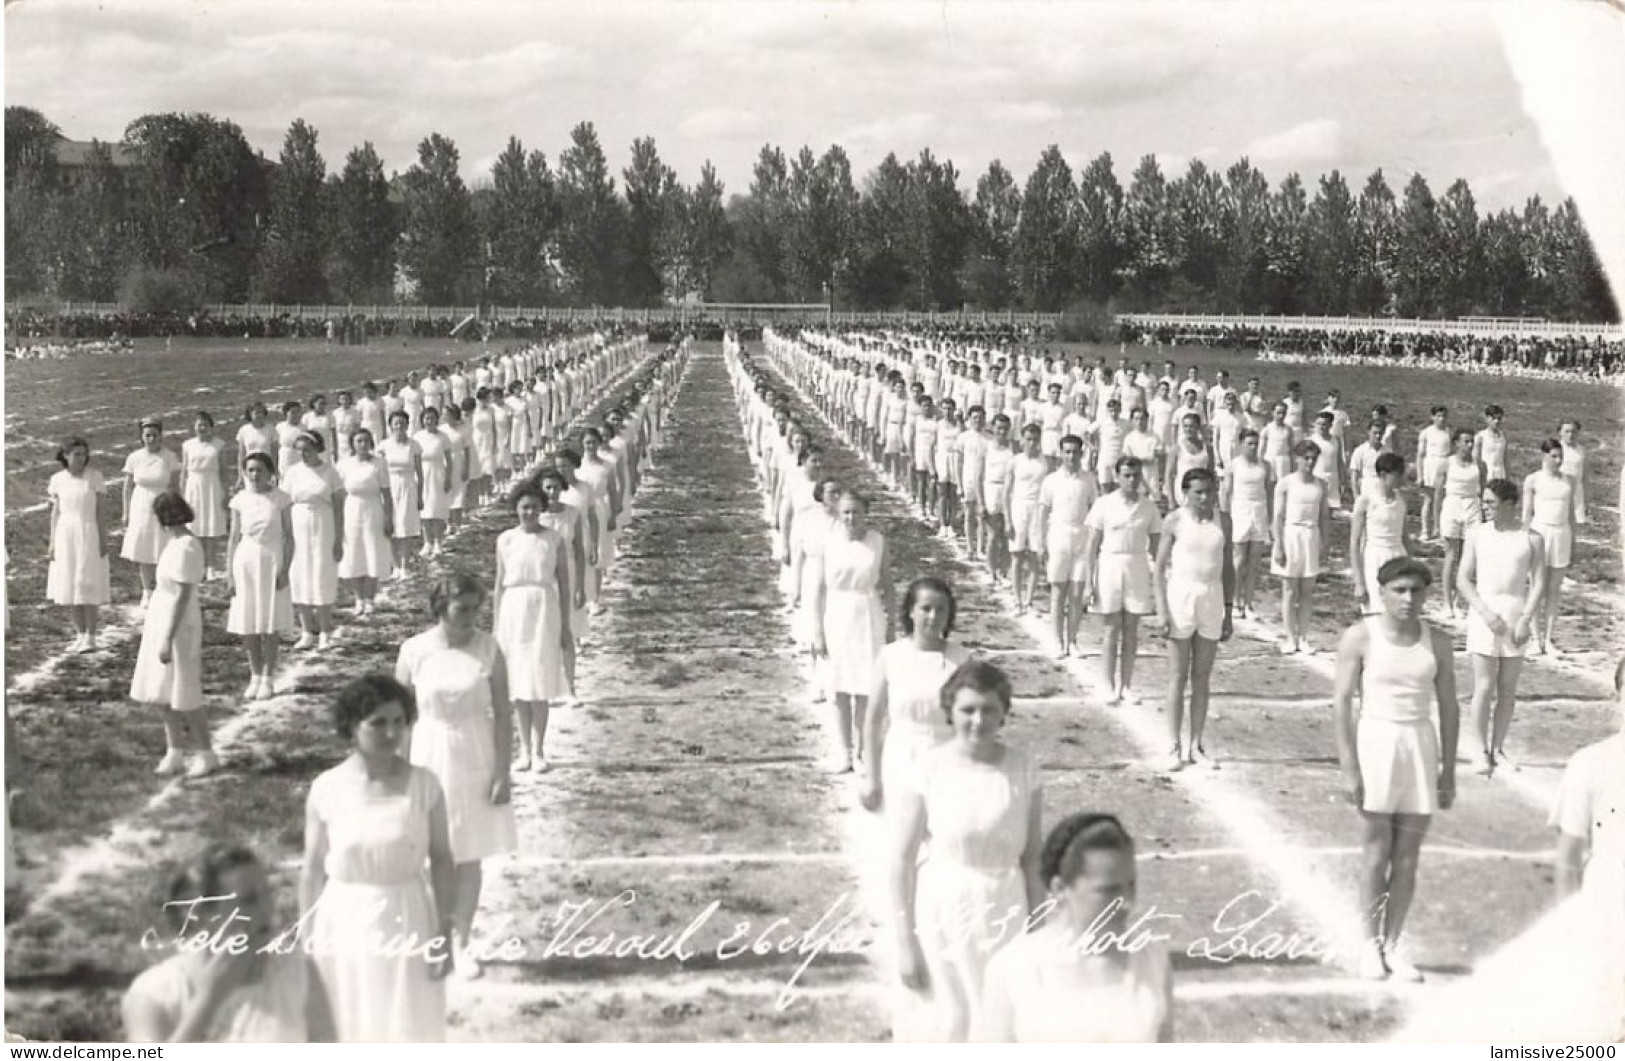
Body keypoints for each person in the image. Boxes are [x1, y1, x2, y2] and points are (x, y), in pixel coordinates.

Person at [887, 661, 1043, 1042]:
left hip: (1006, 909)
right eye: (968, 710)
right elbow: (902, 862)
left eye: (989, 709)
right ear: (950, 711)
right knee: (947, 1021)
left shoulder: (1024, 770)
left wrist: (1039, 933)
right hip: (944, 912)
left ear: (1004, 712)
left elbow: (1033, 858)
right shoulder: (927, 769)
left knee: (1002, 1024)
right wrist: (906, 943)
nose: (978, 720)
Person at [300, 675, 454, 1042]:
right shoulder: (326, 788)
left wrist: (444, 934)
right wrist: (307, 947)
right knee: (347, 1021)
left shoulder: (425, 785)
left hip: (408, 915)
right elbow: (311, 872)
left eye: (400, 722)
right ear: (352, 727)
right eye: (378, 723)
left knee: (408, 1025)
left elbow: (443, 860)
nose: (391, 733)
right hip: (343, 922)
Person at [1332, 557, 1460, 982]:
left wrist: (1448, 771)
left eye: (1416, 591)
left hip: (1419, 744)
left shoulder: (1437, 641)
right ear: (1382, 592)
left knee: (1407, 857)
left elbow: (1448, 705)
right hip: (1376, 742)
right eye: (1399, 590)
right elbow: (1341, 703)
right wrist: (1349, 768)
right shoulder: (1359, 637)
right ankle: (1369, 945)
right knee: (1376, 852)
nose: (1408, 599)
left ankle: (1394, 943)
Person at [394, 573, 517, 979]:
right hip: (427, 752)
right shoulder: (414, 651)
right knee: (432, 854)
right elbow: (399, 719)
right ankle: (435, 939)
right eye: (462, 610)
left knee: (469, 853)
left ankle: (461, 943)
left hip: (475, 753)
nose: (471, 618)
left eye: (476, 609)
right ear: (440, 609)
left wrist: (503, 770)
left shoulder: (489, 649)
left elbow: (502, 712)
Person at [974, 814, 1173, 1042]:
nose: (1127, 901)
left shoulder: (1153, 960)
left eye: (1131, 885)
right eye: (1108, 890)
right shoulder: (1012, 970)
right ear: (1060, 889)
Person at [124, 843, 335, 1041]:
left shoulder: (297, 971)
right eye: (248, 901)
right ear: (197, 913)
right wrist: (208, 1000)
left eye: (268, 894)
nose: (268, 910)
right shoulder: (154, 994)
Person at [1457, 479, 1546, 777]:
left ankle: (1498, 748)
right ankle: (1480, 750)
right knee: (1483, 687)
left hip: (1515, 616)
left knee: (1508, 690)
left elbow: (1539, 583)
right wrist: (1484, 612)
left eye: (1491, 502)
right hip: (1484, 616)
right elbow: (1463, 579)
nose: (1485, 506)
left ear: (1509, 504)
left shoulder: (1532, 538)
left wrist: (1525, 620)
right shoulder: (1477, 534)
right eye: (1484, 501)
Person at [860, 577, 970, 815]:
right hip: (901, 762)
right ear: (911, 611)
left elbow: (972, 722)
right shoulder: (891, 656)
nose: (933, 617)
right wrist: (872, 777)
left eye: (941, 610)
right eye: (926, 609)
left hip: (948, 765)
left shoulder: (961, 659)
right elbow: (872, 723)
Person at [1152, 467, 1233, 772]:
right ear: (1186, 492)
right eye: (1198, 492)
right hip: (1180, 599)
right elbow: (1159, 568)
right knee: (1177, 676)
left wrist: (1228, 608)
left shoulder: (1223, 520)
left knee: (1202, 677)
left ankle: (1196, 744)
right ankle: (1173, 745)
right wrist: (1161, 610)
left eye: (1209, 491)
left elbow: (1228, 569)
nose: (1204, 497)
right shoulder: (1174, 520)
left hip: (1211, 600)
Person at [130, 491, 214, 777]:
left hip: (178, 624)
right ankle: (174, 751)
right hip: (161, 618)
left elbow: (182, 596)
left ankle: (206, 754)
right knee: (163, 691)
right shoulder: (175, 543)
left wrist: (167, 637)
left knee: (184, 689)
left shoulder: (187, 546)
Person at [494, 487, 573, 773]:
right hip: (513, 611)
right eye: (524, 507)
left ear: (542, 508)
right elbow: (499, 585)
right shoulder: (506, 540)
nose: (529, 512)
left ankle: (539, 750)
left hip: (543, 609)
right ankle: (524, 751)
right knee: (518, 684)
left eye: (535, 507)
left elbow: (563, 584)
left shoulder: (553, 539)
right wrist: (495, 626)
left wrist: (565, 625)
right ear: (516, 508)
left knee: (538, 680)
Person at [812, 490, 891, 773]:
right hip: (838, 615)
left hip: (868, 616)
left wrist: (892, 623)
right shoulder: (829, 543)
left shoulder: (877, 542)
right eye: (845, 512)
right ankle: (843, 751)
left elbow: (889, 587)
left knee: (866, 689)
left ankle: (861, 752)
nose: (851, 517)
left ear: (865, 513)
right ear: (838, 513)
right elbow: (819, 590)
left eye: (856, 512)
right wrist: (817, 631)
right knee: (840, 689)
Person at [1083, 456, 1162, 705]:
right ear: (1117, 476)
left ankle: (1126, 685)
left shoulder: (1149, 508)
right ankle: (1107, 685)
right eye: (1126, 475)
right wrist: (1088, 582)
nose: (1131, 480)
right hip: (1109, 566)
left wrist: (1161, 582)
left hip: (1136, 566)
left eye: (1135, 475)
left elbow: (1158, 549)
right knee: (1111, 629)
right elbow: (1091, 547)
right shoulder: (1103, 504)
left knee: (1131, 630)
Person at [225, 454, 294, 701]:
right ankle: (254, 674)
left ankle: (268, 676)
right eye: (251, 470)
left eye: (260, 470)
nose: (255, 475)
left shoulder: (281, 499)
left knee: (270, 621)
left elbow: (289, 537)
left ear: (270, 472)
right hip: (245, 560)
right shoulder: (239, 500)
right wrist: (229, 572)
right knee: (249, 620)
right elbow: (233, 538)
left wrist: (284, 569)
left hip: (271, 559)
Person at [47, 436, 111, 651]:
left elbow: (101, 512)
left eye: (84, 454)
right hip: (65, 535)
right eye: (76, 454)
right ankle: (80, 634)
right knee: (70, 584)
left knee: (87, 584)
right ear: (65, 456)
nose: (81, 459)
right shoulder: (57, 480)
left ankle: (91, 636)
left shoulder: (95, 477)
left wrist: (103, 539)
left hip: (88, 533)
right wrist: (52, 542)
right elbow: (56, 513)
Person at [283, 431, 345, 652]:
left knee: (322, 573)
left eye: (307, 449)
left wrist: (338, 539)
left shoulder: (330, 472)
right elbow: (285, 505)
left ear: (317, 448)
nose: (303, 454)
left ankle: (326, 630)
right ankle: (307, 630)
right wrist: (286, 535)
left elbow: (339, 509)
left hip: (323, 525)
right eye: (299, 450)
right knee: (299, 575)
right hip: (298, 525)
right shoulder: (292, 473)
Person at [1040, 434, 1099, 657]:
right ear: (1060, 453)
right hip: (1058, 536)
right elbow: (1044, 511)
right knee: (1058, 591)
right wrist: (1041, 542)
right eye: (1067, 452)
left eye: (1075, 452)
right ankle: (1056, 640)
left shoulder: (1088, 479)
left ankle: (1072, 641)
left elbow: (1094, 510)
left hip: (1081, 538)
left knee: (1076, 594)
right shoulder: (1051, 480)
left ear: (1081, 453)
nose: (1071, 456)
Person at [1271, 441, 1330, 655]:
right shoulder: (1285, 483)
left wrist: (1325, 543)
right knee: (1289, 589)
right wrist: (1278, 545)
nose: (1310, 462)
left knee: (1307, 590)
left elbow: (1324, 517)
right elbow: (1277, 516)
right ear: (1297, 459)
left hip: (1311, 536)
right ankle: (1289, 637)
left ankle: (1303, 637)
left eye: (1314, 458)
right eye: (1306, 457)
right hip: (1290, 535)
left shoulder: (1321, 485)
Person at [1523, 439, 1580, 656]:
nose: (1558, 461)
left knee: (1553, 590)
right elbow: (1526, 515)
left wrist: (1573, 542)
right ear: (1544, 455)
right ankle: (1535, 640)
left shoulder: (1569, 481)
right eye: (1554, 456)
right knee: (1536, 588)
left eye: (1560, 457)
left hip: (1561, 533)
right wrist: (1524, 540)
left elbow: (1571, 514)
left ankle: (1548, 639)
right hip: (1539, 533)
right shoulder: (1533, 480)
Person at [123, 419, 182, 606]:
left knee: (163, 547)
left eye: (155, 435)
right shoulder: (134, 457)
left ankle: (164, 587)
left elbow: (175, 485)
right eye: (147, 435)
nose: (151, 439)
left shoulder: (169, 457)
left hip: (163, 504)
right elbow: (127, 487)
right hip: (141, 505)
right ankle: (147, 590)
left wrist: (176, 510)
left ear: (161, 436)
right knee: (143, 548)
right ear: (142, 437)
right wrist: (125, 512)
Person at [335, 428, 393, 617]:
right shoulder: (343, 465)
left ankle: (369, 598)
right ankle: (358, 597)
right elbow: (338, 494)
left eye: (366, 441)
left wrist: (388, 517)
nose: (363, 445)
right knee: (354, 554)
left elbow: (386, 493)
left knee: (372, 553)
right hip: (351, 511)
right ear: (353, 444)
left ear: (371, 443)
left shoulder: (379, 463)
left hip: (373, 510)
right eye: (359, 441)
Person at [1349, 453, 1412, 616]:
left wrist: (1411, 567)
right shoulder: (1366, 500)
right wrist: (1359, 582)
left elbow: (1405, 538)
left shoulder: (1401, 501)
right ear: (1383, 475)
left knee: (1398, 615)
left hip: (1398, 558)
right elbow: (1354, 544)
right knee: (1376, 615)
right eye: (1397, 475)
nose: (1401, 480)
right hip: (1375, 559)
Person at [1221, 428, 1271, 618]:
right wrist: (1225, 517)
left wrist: (1272, 519)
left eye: (1256, 444)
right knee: (1239, 560)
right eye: (1249, 444)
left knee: (1254, 561)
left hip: (1259, 512)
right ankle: (1235, 602)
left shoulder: (1265, 465)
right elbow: (1226, 493)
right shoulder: (1234, 465)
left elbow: (1269, 492)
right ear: (1241, 444)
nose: (1253, 447)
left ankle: (1249, 603)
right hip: (1240, 511)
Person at [1005, 424, 1049, 615]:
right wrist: (1007, 520)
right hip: (1018, 508)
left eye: (1035, 440)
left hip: (1037, 510)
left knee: (1034, 556)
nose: (1031, 443)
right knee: (1016, 555)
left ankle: (1029, 601)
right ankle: (1016, 599)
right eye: (1028, 439)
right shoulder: (1015, 461)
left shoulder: (1045, 463)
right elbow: (1006, 493)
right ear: (1022, 440)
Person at [180, 412, 229, 579]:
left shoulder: (219, 445)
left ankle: (211, 567)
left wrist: (226, 492)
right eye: (199, 425)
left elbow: (223, 471)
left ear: (211, 427)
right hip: (193, 487)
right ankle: (198, 566)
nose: (202, 428)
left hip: (212, 486)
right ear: (194, 427)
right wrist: (181, 494)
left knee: (211, 528)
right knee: (195, 528)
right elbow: (184, 472)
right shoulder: (187, 445)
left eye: (205, 425)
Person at [378, 411, 423, 581]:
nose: (399, 427)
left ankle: (405, 566)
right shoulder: (383, 446)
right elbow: (379, 471)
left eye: (403, 423)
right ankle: (395, 566)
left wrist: (420, 495)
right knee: (391, 528)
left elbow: (420, 473)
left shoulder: (414, 445)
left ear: (407, 425)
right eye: (396, 423)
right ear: (391, 426)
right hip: (389, 487)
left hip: (408, 486)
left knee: (405, 528)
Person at [414, 407, 454, 559]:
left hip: (438, 474)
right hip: (422, 474)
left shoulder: (443, 437)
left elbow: (449, 461)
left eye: (432, 418)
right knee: (424, 511)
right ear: (422, 420)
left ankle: (438, 542)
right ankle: (427, 542)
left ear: (436, 420)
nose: (429, 421)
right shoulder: (417, 437)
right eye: (426, 419)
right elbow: (414, 459)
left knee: (437, 510)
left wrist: (448, 478)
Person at [1414, 405, 1451, 541]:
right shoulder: (1426, 433)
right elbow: (1420, 455)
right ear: (1433, 417)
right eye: (1438, 416)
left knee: (1441, 500)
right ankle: (1425, 530)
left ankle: (1439, 529)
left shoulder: (1448, 432)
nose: (1441, 419)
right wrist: (1420, 475)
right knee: (1429, 500)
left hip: (1444, 466)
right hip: (1430, 466)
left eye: (1444, 416)